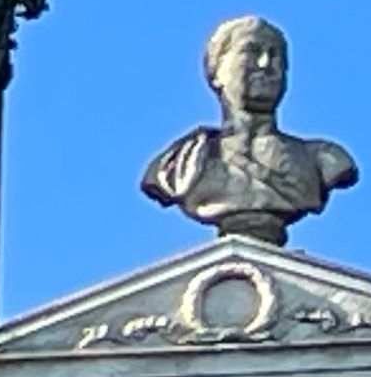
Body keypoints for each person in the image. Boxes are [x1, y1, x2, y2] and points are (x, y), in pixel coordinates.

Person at [141, 15, 358, 245]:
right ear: (217, 72)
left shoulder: (323, 159)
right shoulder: (182, 163)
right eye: (251, 52)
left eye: (276, 56)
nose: (265, 64)